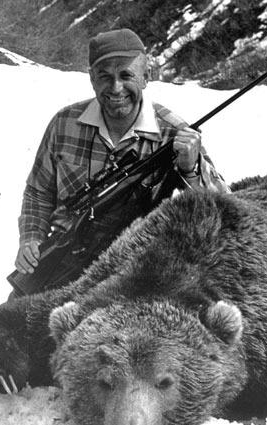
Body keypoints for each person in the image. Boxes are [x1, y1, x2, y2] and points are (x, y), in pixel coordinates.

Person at [14, 28, 228, 279]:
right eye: (105, 76)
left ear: (146, 76)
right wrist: (31, 238)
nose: (116, 88)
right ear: (92, 78)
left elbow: (225, 209)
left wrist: (191, 170)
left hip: (134, 273)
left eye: (126, 75)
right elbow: (38, 193)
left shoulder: (175, 134)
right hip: (62, 261)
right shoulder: (64, 123)